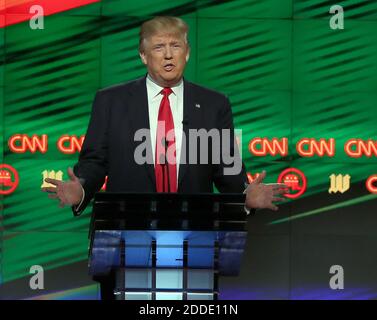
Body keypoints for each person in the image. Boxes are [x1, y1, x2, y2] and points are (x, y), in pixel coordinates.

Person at [42, 16, 287, 299]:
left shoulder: (213, 104)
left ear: (188, 51)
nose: (169, 54)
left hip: (193, 244)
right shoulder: (111, 101)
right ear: (143, 55)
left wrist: (245, 196)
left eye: (176, 45)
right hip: (128, 239)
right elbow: (95, 162)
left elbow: (227, 171)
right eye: (159, 47)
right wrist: (81, 187)